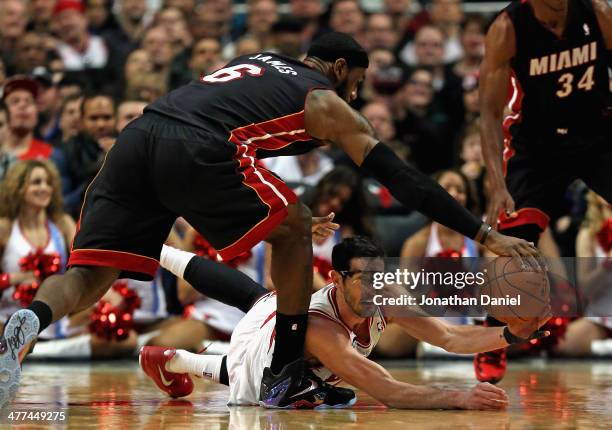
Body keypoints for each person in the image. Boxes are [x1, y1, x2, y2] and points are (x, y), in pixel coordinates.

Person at [0, 32, 539, 410]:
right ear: (340, 70)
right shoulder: (326, 100)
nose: (356, 95)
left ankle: (28, 321)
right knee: (295, 223)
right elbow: (401, 177)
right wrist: (484, 235)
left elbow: (238, 133)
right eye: (356, 83)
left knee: (91, 275)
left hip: (140, 136)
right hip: (198, 145)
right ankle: (287, 368)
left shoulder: (262, 62)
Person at [141, 237, 546, 409]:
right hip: (262, 353)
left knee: (254, 298)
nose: (374, 287)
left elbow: (450, 336)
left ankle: (170, 358)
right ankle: (152, 248)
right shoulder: (322, 327)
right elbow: (388, 391)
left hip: (279, 316)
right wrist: (458, 397)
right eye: (363, 279)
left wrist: (510, 334)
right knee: (277, 393)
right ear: (336, 279)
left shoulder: (386, 293)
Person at [476, 0, 611, 383]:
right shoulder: (507, 28)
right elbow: (488, 113)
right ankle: (491, 340)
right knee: (514, 244)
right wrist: (497, 184)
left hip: (597, 134)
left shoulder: (597, 13)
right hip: (536, 146)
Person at [0, 160, 76, 339]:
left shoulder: (63, 224)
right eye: (36, 182)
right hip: (10, 318)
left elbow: (81, 270)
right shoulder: (5, 227)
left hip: (56, 319)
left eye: (48, 183)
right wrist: (15, 278)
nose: (44, 188)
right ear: (18, 188)